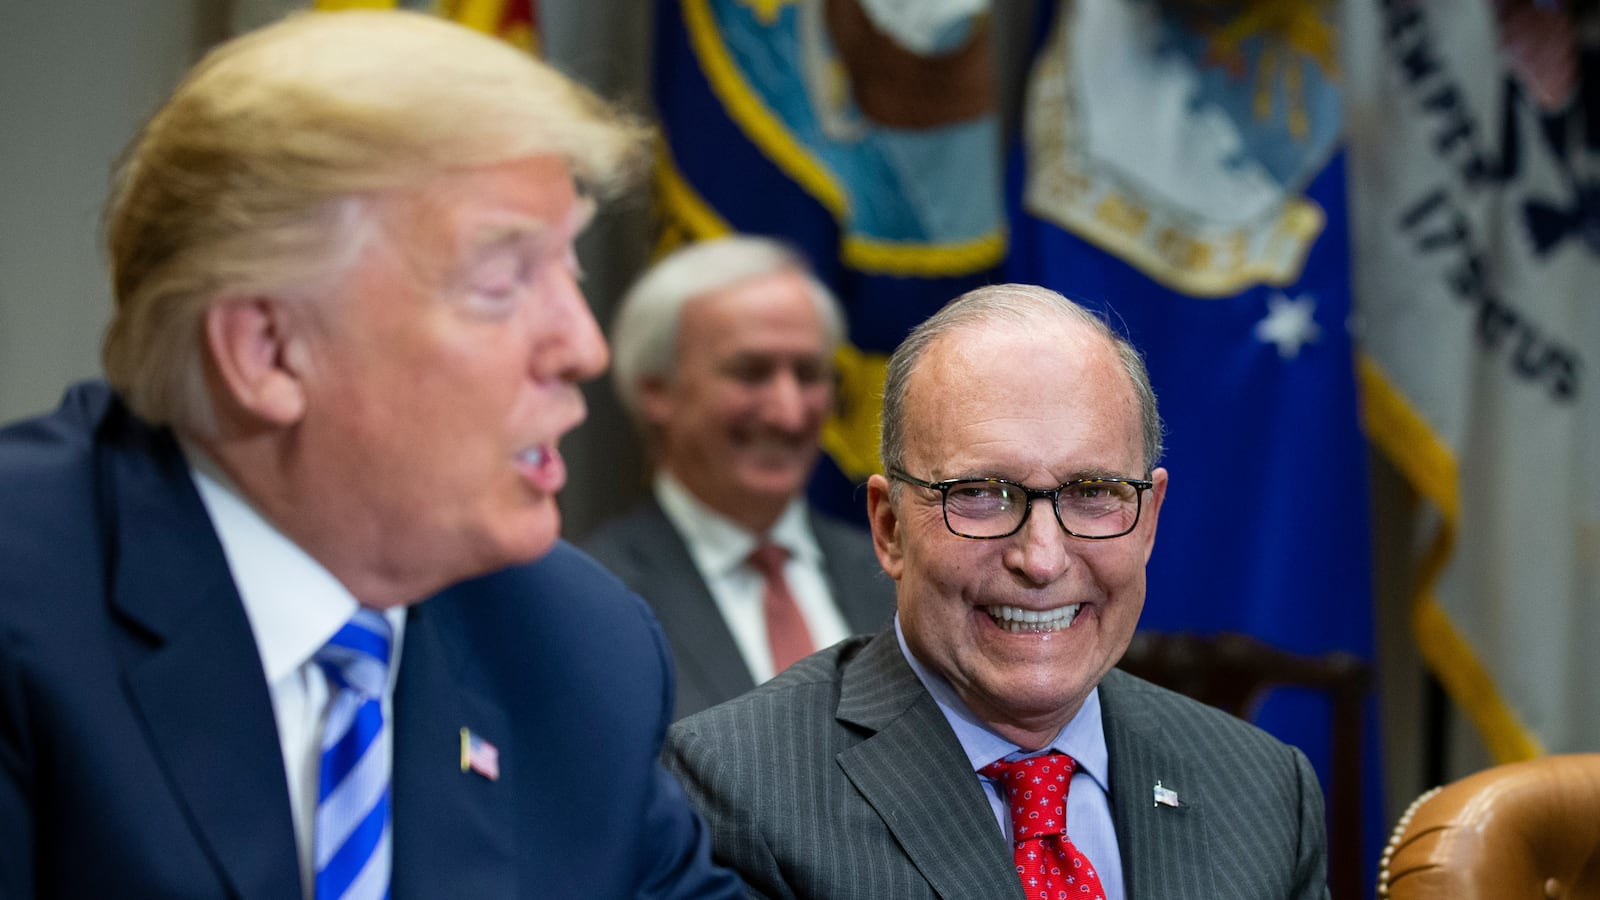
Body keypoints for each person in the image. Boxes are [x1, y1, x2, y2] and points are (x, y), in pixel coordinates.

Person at [0, 11, 743, 899]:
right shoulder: (25, 602)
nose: (585, 347)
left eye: (569, 272)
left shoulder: (577, 653)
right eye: (504, 282)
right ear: (268, 352)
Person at [665, 283, 1329, 899]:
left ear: (1149, 519)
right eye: (980, 495)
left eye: (1093, 493)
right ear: (890, 528)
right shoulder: (733, 791)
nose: (1041, 560)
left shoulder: (1265, 792)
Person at [582, 235, 893, 718]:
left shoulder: (895, 579)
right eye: (751, 373)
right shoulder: (592, 600)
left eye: (809, 374)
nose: (788, 414)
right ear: (656, 390)